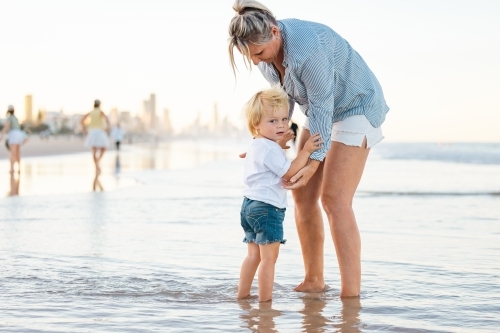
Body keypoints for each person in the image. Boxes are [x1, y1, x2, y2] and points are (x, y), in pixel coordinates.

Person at [228, 0, 390, 297]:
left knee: (334, 199)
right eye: (250, 56)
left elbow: (323, 106)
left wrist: (314, 160)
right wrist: (265, 145)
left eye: (259, 53)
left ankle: (350, 295)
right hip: (318, 111)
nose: (256, 61)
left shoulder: (309, 49)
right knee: (301, 193)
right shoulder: (265, 60)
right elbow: (283, 104)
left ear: (275, 32)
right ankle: (314, 280)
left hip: (356, 106)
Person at [238, 85, 322, 302]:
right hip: (268, 209)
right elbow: (289, 172)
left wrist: (280, 144)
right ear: (256, 124)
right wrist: (306, 151)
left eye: (284, 119)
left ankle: (243, 295)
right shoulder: (269, 149)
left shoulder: (258, 144)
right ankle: (265, 303)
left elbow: (270, 159)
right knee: (269, 259)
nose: (281, 125)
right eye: (273, 121)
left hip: (249, 206)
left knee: (253, 255)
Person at [80, 100, 110, 173]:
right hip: (99, 131)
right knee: (103, 148)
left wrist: (83, 129)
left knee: (94, 150)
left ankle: (96, 165)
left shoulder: (91, 112)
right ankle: (97, 163)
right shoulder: (100, 111)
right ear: (99, 105)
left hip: (92, 131)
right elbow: (107, 120)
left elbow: (82, 120)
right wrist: (107, 128)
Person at [0, 105, 27, 173]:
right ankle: (19, 169)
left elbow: (6, 126)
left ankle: (12, 169)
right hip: (19, 134)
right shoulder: (16, 118)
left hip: (14, 135)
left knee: (12, 152)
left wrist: (2, 135)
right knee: (18, 152)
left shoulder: (9, 118)